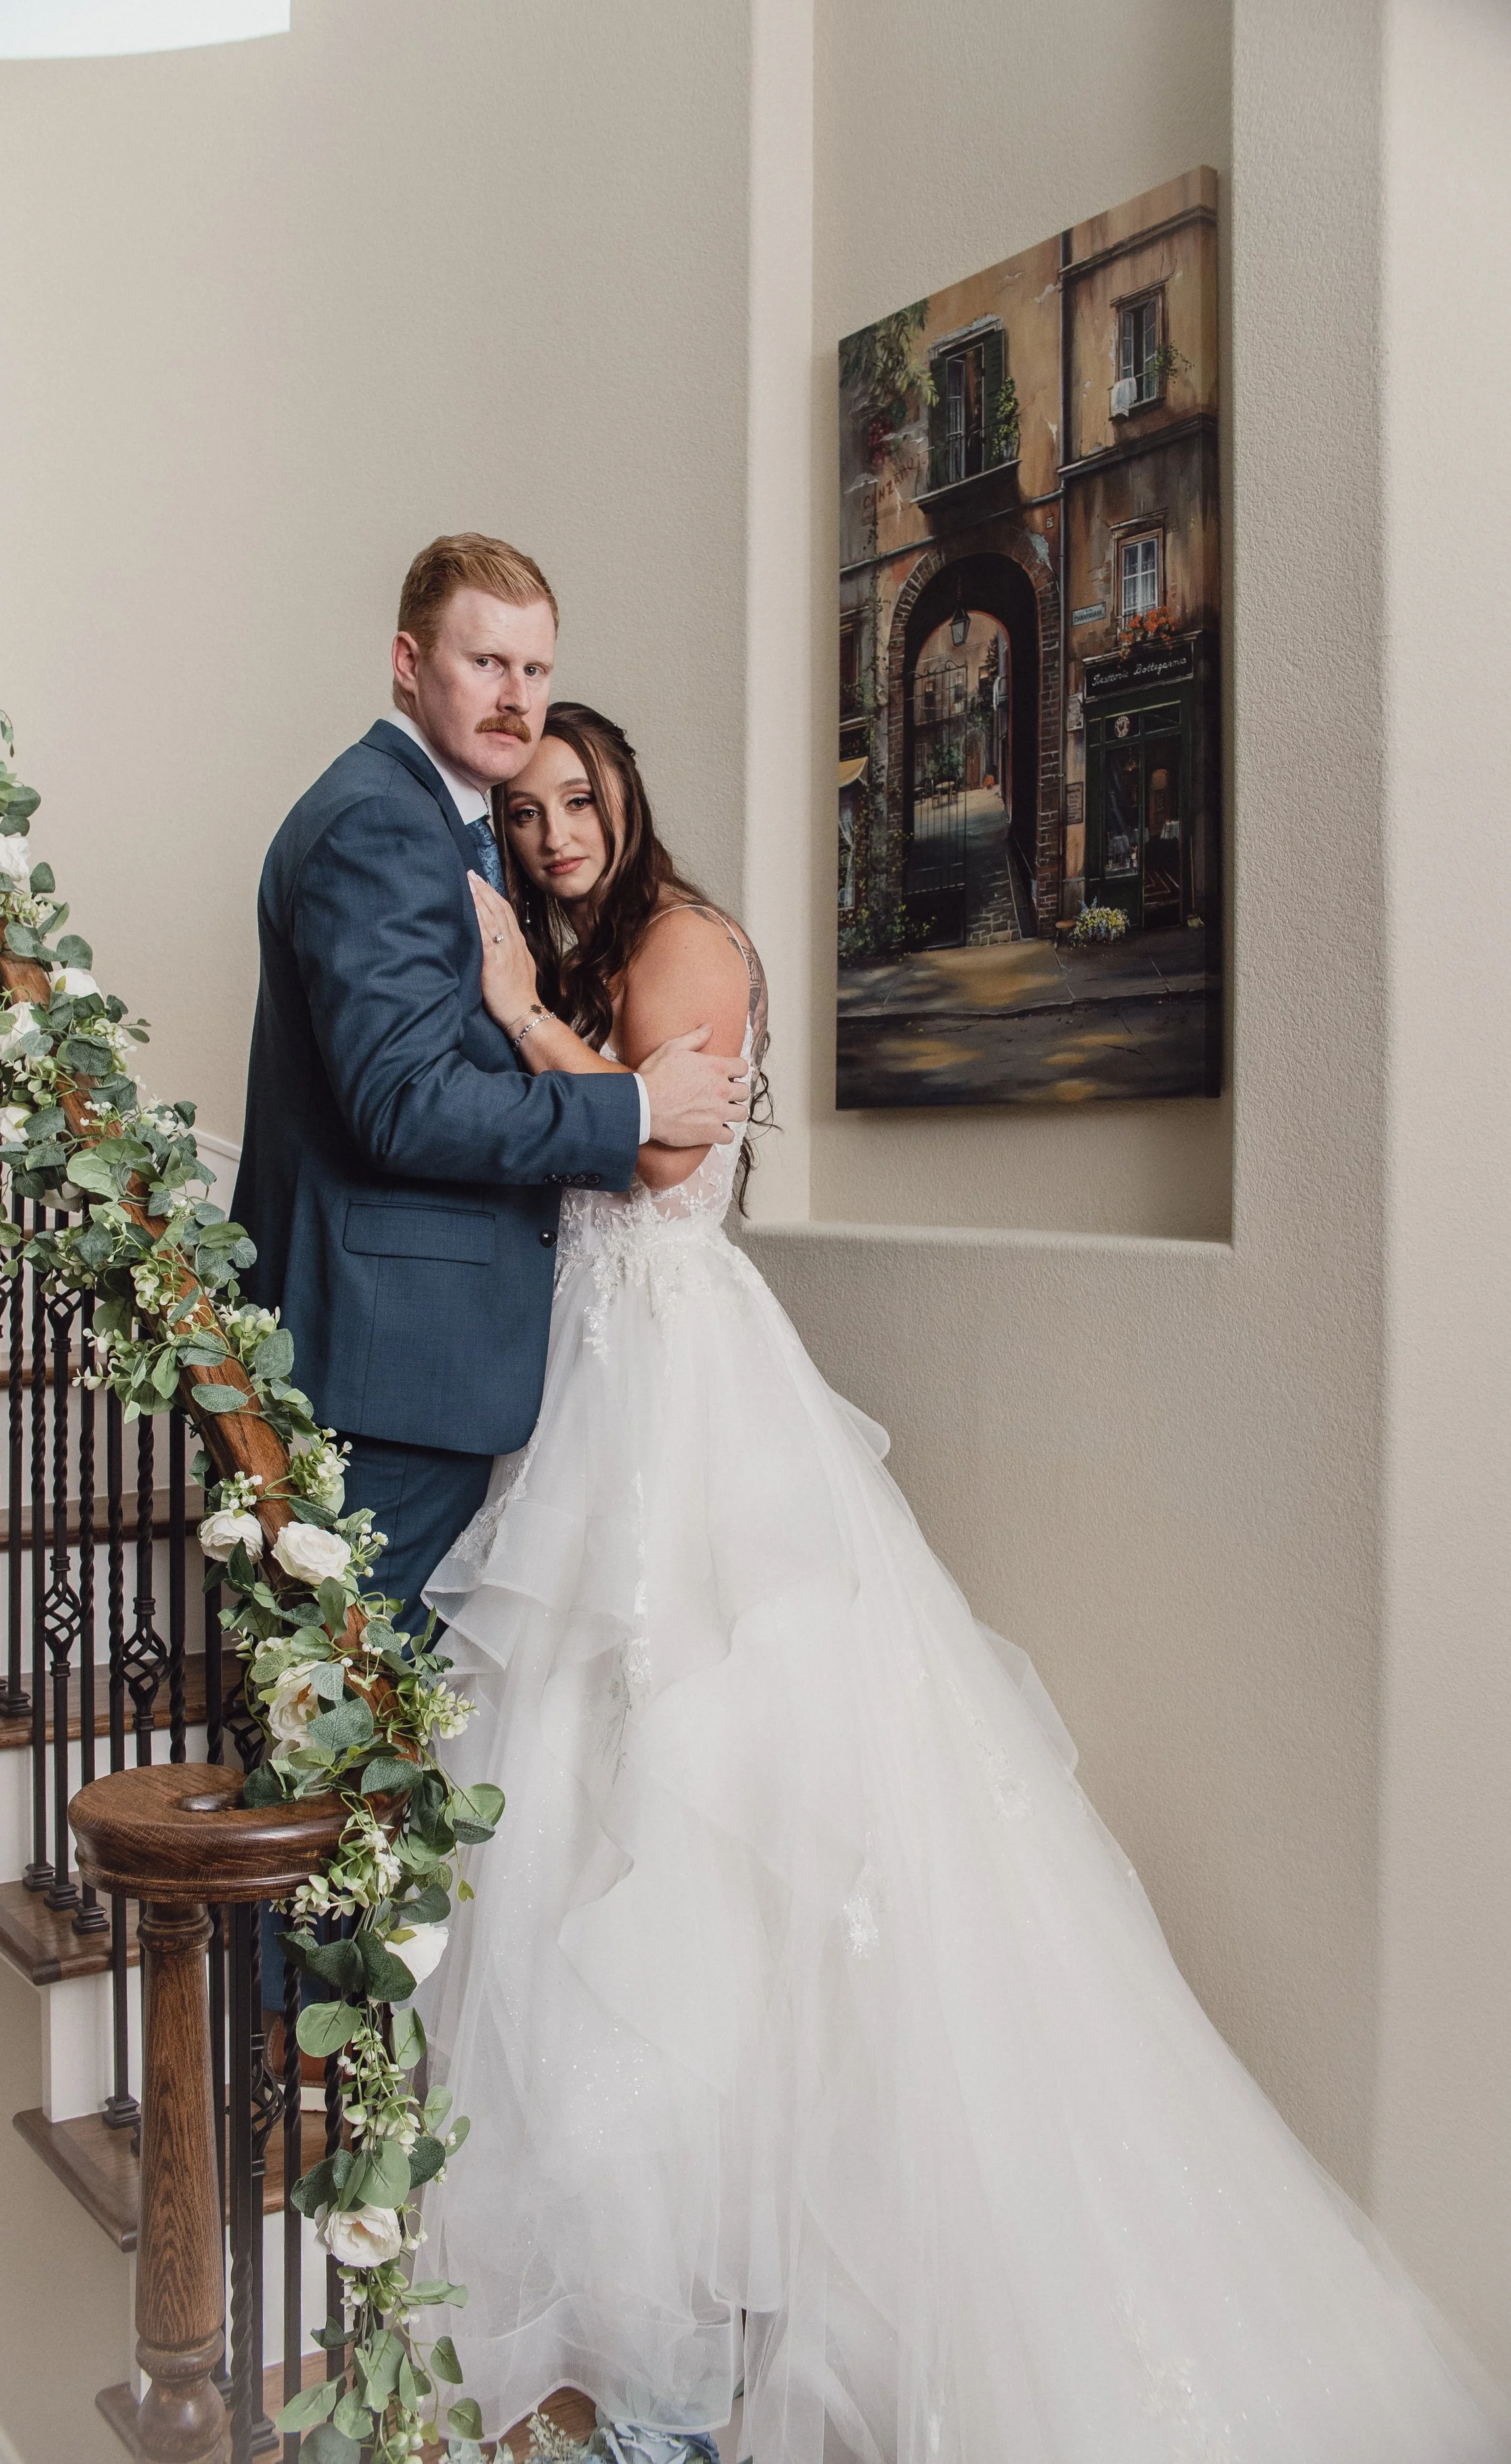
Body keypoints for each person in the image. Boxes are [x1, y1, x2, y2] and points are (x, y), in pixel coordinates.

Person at [420, 703, 1511, 2464]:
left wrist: (509, 1003)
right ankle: (655, 2331)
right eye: (530, 807)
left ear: (628, 793)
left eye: (578, 796)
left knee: (713, 1774)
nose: (552, 830)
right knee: (594, 1797)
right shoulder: (602, 946)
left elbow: (661, 1153)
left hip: (692, 1396)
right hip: (601, 1386)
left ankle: (701, 2350)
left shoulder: (684, 934)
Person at [232, 536, 750, 1618]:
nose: (514, 699)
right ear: (407, 663)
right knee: (355, 1706)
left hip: (469, 1358)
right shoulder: (384, 819)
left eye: (535, 670)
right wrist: (640, 1102)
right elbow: (404, 1100)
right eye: (484, 664)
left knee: (388, 1708)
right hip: (396, 1360)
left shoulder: (443, 824)